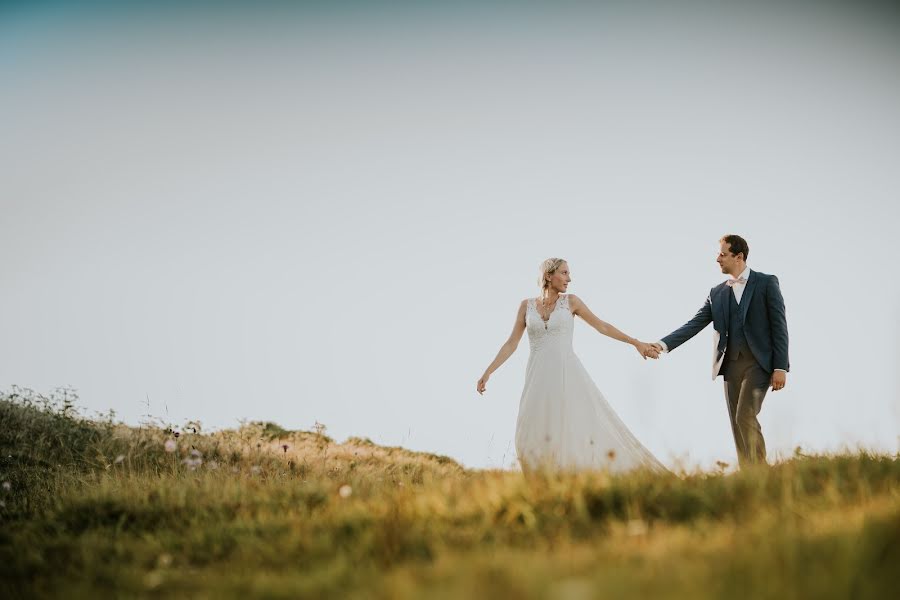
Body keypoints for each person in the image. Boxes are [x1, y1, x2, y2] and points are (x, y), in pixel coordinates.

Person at [477, 258, 665, 472]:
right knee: (527, 431)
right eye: (564, 273)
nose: (569, 278)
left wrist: (635, 343)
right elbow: (512, 343)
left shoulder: (572, 302)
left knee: (572, 427)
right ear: (549, 275)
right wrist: (489, 371)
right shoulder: (525, 306)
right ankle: (541, 481)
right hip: (537, 377)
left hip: (567, 374)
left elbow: (602, 326)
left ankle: (572, 479)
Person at [651, 235, 789, 468]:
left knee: (744, 414)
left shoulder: (766, 283)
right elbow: (694, 324)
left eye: (723, 254)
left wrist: (780, 367)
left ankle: (762, 471)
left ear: (739, 257)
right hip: (730, 365)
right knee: (736, 424)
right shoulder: (716, 293)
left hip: (760, 364)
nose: (718, 259)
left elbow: (779, 325)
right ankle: (749, 475)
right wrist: (662, 344)